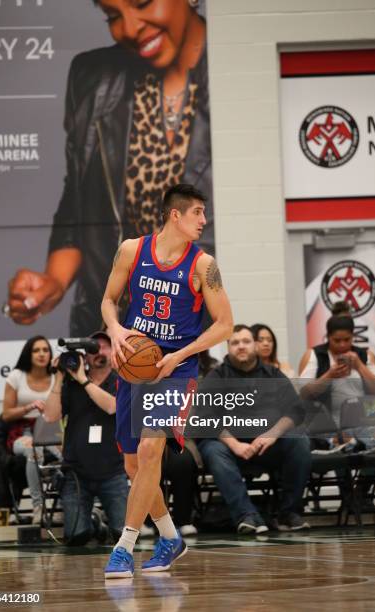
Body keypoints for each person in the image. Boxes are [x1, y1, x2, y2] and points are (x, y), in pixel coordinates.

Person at [5, 0, 213, 336]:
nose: (130, 29)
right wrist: (54, 281)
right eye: (113, 16)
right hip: (117, 333)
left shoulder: (236, 70)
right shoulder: (93, 78)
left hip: (199, 329)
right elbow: (78, 200)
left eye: (143, 3)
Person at [101, 183, 233, 578]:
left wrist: (180, 353)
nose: (204, 221)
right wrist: (115, 330)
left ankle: (124, 547)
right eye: (197, 213)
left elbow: (225, 325)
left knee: (149, 452)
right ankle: (170, 537)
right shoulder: (131, 250)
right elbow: (108, 300)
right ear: (175, 215)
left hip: (175, 370)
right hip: (134, 365)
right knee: (131, 464)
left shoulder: (203, 265)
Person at [197, 325, 311, 533]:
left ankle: (289, 513)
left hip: (267, 444)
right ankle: (247, 516)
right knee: (213, 450)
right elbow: (203, 417)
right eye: (235, 342)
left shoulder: (273, 374)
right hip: (229, 446)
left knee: (299, 442)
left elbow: (296, 411)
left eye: (246, 342)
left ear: (256, 346)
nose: (241, 346)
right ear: (228, 347)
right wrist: (234, 444)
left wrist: (272, 435)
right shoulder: (216, 377)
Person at [43, 331, 128, 545]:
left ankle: (102, 524)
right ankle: (95, 524)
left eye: (105, 347)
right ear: (85, 357)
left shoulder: (122, 381)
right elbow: (51, 415)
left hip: (113, 470)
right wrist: (59, 378)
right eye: (93, 348)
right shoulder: (71, 385)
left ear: (114, 351)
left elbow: (112, 407)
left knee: (124, 534)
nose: (99, 352)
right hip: (76, 472)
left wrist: (82, 380)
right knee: (75, 536)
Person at [2, 336, 60, 524]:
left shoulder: (56, 378)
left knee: (68, 457)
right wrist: (29, 407)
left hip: (51, 431)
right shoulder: (16, 376)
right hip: (23, 432)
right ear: (29, 353)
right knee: (33, 450)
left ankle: (68, 506)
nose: (42, 354)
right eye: (36, 350)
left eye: (45, 350)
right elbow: (6, 414)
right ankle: (38, 508)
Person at [299, 315, 375, 445]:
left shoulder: (365, 355)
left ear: (353, 336)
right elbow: (304, 393)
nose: (342, 344)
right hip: (326, 427)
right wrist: (329, 375)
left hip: (363, 424)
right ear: (328, 337)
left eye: (347, 340)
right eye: (336, 340)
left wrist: (360, 366)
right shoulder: (315, 355)